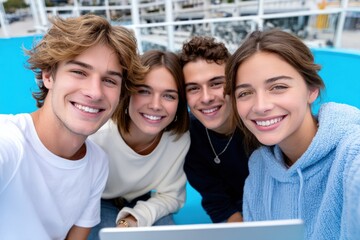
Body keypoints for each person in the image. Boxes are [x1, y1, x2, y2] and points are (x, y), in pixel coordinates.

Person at [0, 14, 146, 240]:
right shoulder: (9, 142)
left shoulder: (97, 162)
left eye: (109, 80)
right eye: (79, 72)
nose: (95, 92)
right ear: (48, 75)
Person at [225, 29, 360, 240]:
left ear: (311, 90)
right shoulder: (259, 168)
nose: (260, 106)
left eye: (278, 87)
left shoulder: (352, 154)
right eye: (245, 93)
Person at [88, 50, 190, 239]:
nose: (156, 105)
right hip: (97, 201)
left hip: (143, 199)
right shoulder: (97, 135)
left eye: (169, 96)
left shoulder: (178, 139)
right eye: (144, 91)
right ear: (128, 94)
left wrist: (132, 219)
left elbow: (171, 196)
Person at [178, 36, 249, 223]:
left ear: (233, 83)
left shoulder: (259, 119)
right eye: (193, 88)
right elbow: (218, 203)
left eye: (216, 83)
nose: (207, 97)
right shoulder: (189, 139)